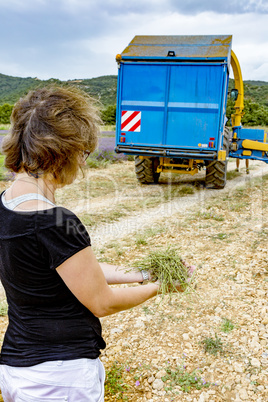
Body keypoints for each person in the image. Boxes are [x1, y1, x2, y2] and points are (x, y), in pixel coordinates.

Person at [0, 86, 192, 402]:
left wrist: (144, 273)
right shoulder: (55, 220)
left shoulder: (7, 204)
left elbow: (72, 269)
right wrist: (164, 287)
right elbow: (102, 302)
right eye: (82, 153)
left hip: (17, 370)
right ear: (62, 151)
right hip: (60, 379)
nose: (82, 163)